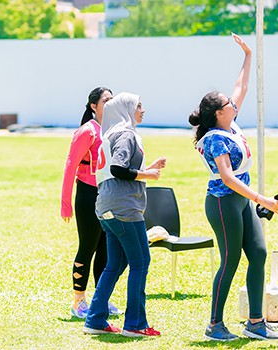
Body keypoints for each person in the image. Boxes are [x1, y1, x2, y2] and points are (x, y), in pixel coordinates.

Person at [188, 33, 278, 342]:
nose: (234, 104)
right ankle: (215, 325)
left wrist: (247, 55)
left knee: (258, 253)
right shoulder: (215, 137)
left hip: (240, 201)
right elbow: (227, 178)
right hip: (223, 202)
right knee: (229, 261)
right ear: (219, 113)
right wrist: (262, 199)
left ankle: (256, 322)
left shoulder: (230, 123)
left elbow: (240, 87)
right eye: (229, 104)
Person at [83, 92, 166, 336]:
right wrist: (147, 175)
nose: (143, 109)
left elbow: (116, 171)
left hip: (106, 207)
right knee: (141, 263)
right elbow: (119, 168)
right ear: (126, 109)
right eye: (138, 105)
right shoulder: (127, 134)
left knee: (115, 264)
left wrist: (147, 168)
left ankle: (95, 321)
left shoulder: (108, 135)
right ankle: (136, 324)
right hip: (124, 209)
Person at [61, 87, 122, 318]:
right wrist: (65, 203)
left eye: (111, 100)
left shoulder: (111, 130)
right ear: (93, 106)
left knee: (105, 249)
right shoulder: (87, 131)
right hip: (88, 195)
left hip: (107, 195)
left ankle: (101, 300)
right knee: (87, 247)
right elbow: (70, 166)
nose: (109, 104)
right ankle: (79, 302)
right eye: (105, 100)